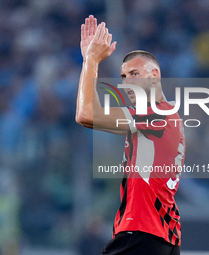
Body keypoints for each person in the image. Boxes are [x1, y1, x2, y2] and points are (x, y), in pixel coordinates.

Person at [76, 15, 185, 255]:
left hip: (142, 232)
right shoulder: (167, 116)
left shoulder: (154, 115)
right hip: (164, 235)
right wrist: (88, 61)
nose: (127, 83)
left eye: (135, 74)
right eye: (124, 77)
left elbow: (85, 115)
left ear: (155, 75)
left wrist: (92, 60)